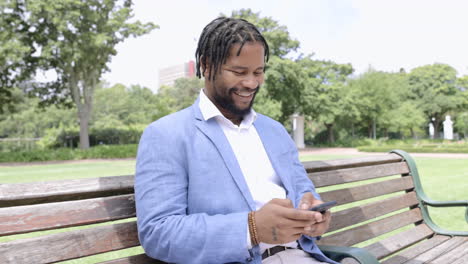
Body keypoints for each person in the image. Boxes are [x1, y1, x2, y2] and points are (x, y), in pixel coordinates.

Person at [135, 17, 338, 264]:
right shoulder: (167, 134)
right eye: (239, 72)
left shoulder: (274, 131)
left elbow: (303, 190)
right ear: (206, 66)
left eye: (258, 72)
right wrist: (251, 228)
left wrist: (312, 213)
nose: (251, 83)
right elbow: (158, 233)